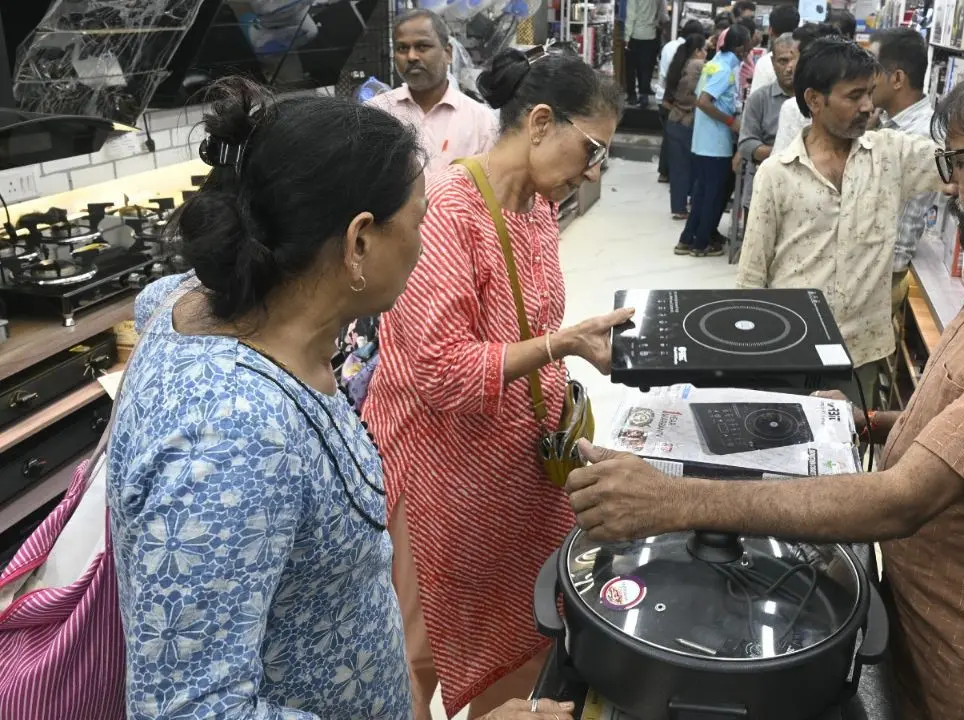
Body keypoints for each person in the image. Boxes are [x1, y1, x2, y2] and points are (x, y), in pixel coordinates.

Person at [563, 33, 964, 720]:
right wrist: (867, 423)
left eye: (958, 163)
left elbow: (905, 499)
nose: (952, 185)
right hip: (924, 614)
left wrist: (672, 505)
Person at [107, 78, 575, 720]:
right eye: (418, 219)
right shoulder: (236, 437)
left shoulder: (191, 301)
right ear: (358, 243)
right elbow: (190, 710)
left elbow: (157, 294)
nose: (426, 237)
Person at [362, 48, 629, 720]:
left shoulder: (537, 207)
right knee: (421, 649)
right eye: (591, 147)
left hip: (513, 471)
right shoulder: (449, 212)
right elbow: (438, 368)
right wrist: (562, 344)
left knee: (524, 628)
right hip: (438, 479)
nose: (593, 169)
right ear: (540, 122)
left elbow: (528, 324)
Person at [737, 38, 938, 405]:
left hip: (858, 354)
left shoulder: (892, 154)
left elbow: (957, 161)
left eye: (870, 94)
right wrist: (748, 355)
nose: (867, 106)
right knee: (779, 449)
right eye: (854, 96)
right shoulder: (776, 174)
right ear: (815, 100)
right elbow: (752, 275)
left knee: (844, 451)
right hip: (787, 350)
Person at [366, 9, 498, 174]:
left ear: (448, 53)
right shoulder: (375, 114)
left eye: (422, 46)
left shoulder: (482, 122)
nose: (411, 56)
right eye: (402, 48)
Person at [869, 27, 934, 319]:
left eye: (872, 69)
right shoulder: (887, 122)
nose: (865, 78)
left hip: (884, 275)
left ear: (896, 78)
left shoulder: (920, 136)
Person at [674, 23, 751, 257]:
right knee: (713, 194)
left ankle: (688, 239)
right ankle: (702, 243)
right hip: (716, 143)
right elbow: (704, 101)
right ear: (739, 47)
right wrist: (731, 122)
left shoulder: (714, 64)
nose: (750, 49)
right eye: (748, 45)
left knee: (702, 192)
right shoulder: (723, 71)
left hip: (702, 141)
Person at [736, 32, 797, 212]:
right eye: (783, 61)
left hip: (798, 197)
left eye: (794, 61)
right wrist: (788, 152)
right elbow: (747, 145)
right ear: (773, 64)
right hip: (761, 190)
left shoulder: (814, 99)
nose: (789, 68)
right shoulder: (759, 99)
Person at [772, 22, 839, 153]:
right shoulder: (845, 101)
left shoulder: (793, 108)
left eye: (794, 57)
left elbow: (781, 158)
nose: (790, 66)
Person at [663, 33, 709, 219]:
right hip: (686, 122)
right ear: (697, 51)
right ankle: (684, 206)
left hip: (674, 120)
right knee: (688, 168)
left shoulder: (679, 63)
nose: (706, 53)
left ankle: (678, 207)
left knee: (678, 169)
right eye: (704, 49)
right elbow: (688, 95)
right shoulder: (697, 65)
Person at [657, 19, 707, 183]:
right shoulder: (694, 63)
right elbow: (688, 92)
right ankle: (675, 177)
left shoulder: (673, 49)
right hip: (679, 110)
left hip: (666, 100)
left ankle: (664, 173)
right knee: (680, 148)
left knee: (668, 142)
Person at [747, 4, 800, 96]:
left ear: (770, 30)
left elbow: (755, 100)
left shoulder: (764, 63)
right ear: (797, 29)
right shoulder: (805, 60)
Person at [625, 0, 667, 108]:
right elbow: (662, 15)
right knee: (646, 68)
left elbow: (631, 16)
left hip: (635, 35)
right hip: (650, 34)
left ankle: (632, 95)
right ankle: (644, 96)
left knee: (631, 68)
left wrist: (626, 36)